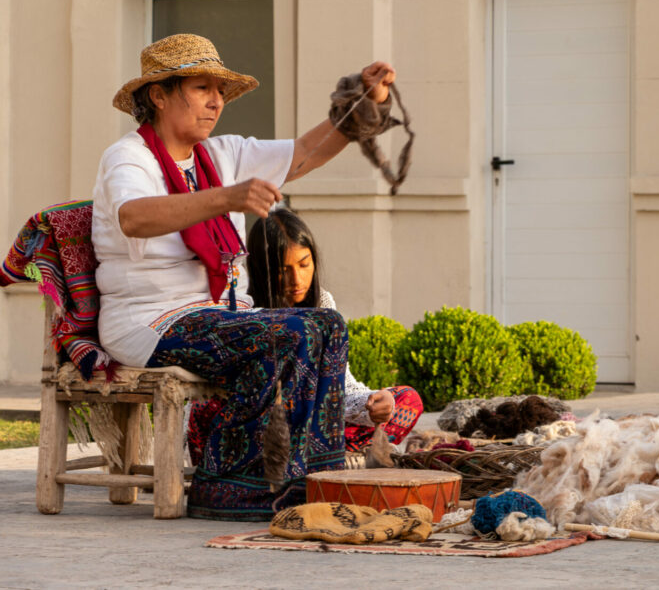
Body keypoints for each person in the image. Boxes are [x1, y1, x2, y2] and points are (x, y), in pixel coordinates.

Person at [92, 33, 396, 520]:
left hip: (219, 314)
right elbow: (134, 217)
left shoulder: (222, 154)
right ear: (159, 95)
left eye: (220, 91)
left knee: (327, 324)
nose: (216, 101)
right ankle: (227, 487)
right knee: (291, 332)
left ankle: (314, 476)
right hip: (149, 323)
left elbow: (306, 152)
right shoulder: (129, 157)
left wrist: (361, 102)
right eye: (201, 88)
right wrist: (226, 198)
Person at [187, 207, 423, 463]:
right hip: (258, 428)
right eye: (283, 269)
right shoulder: (242, 306)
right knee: (204, 409)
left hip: (314, 426)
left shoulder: (323, 304)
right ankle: (309, 459)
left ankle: (318, 456)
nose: (297, 280)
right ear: (263, 269)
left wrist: (373, 402)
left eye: (304, 264)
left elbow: (340, 386)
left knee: (406, 400)